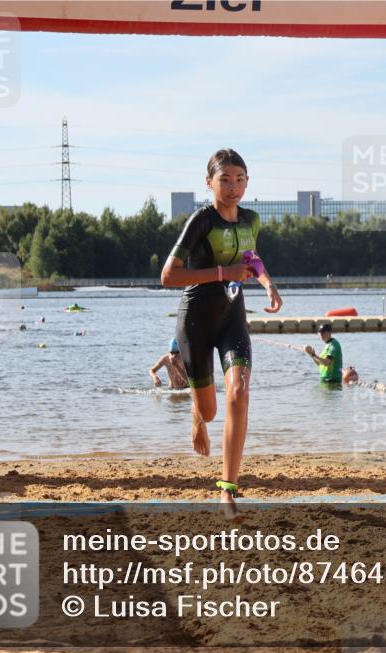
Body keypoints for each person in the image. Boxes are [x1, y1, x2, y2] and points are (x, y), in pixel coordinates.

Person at [160, 148, 283, 519]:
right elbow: (168, 276)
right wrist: (221, 274)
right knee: (211, 411)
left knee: (239, 392)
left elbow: (251, 256)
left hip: (232, 318)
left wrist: (267, 284)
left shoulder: (251, 219)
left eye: (240, 179)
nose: (233, 188)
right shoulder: (201, 221)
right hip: (195, 321)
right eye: (225, 180)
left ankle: (227, 491)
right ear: (209, 182)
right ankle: (198, 416)